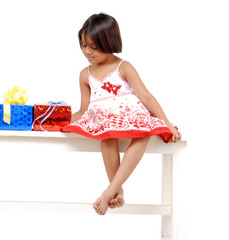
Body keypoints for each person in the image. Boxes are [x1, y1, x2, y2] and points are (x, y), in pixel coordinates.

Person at [62, 13, 182, 215]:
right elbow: (84, 110)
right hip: (105, 120)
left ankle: (109, 191)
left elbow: (145, 96)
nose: (87, 51)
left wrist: (167, 123)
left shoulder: (123, 66)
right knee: (107, 137)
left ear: (110, 43)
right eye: (83, 45)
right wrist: (59, 120)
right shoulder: (85, 74)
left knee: (143, 133)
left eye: (94, 47)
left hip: (131, 115)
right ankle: (116, 190)